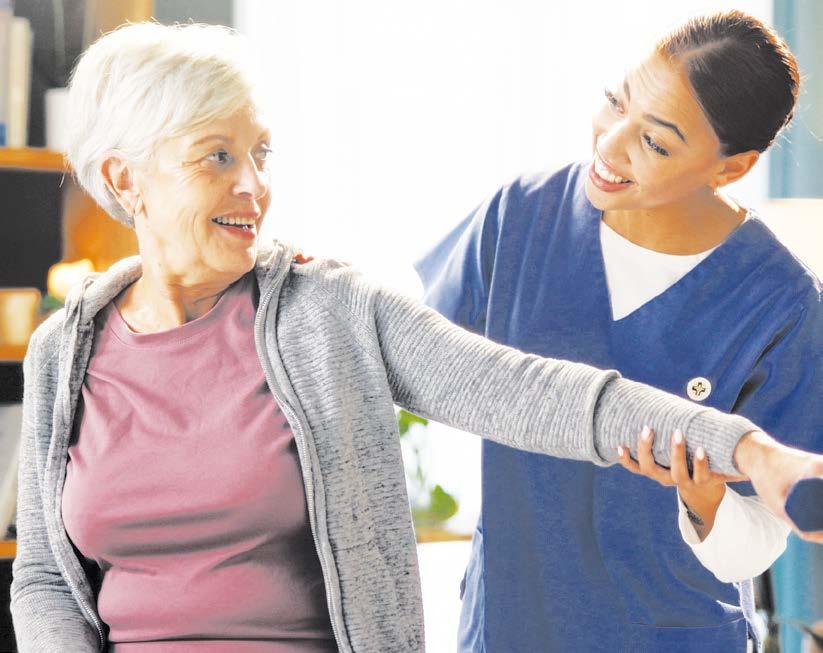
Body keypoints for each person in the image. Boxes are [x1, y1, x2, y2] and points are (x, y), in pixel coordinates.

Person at [10, 20, 822, 653]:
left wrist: (752, 454)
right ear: (124, 179)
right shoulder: (64, 350)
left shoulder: (327, 311)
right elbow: (44, 574)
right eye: (216, 157)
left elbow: (525, 389)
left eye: (261, 152)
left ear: (729, 166)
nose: (254, 185)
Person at [416, 10, 823, 653]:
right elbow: (420, 354)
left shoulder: (781, 302)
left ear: (730, 168)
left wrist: (708, 503)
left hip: (670, 636)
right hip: (511, 624)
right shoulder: (522, 214)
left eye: (655, 143)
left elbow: (758, 545)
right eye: (616, 101)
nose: (610, 145)